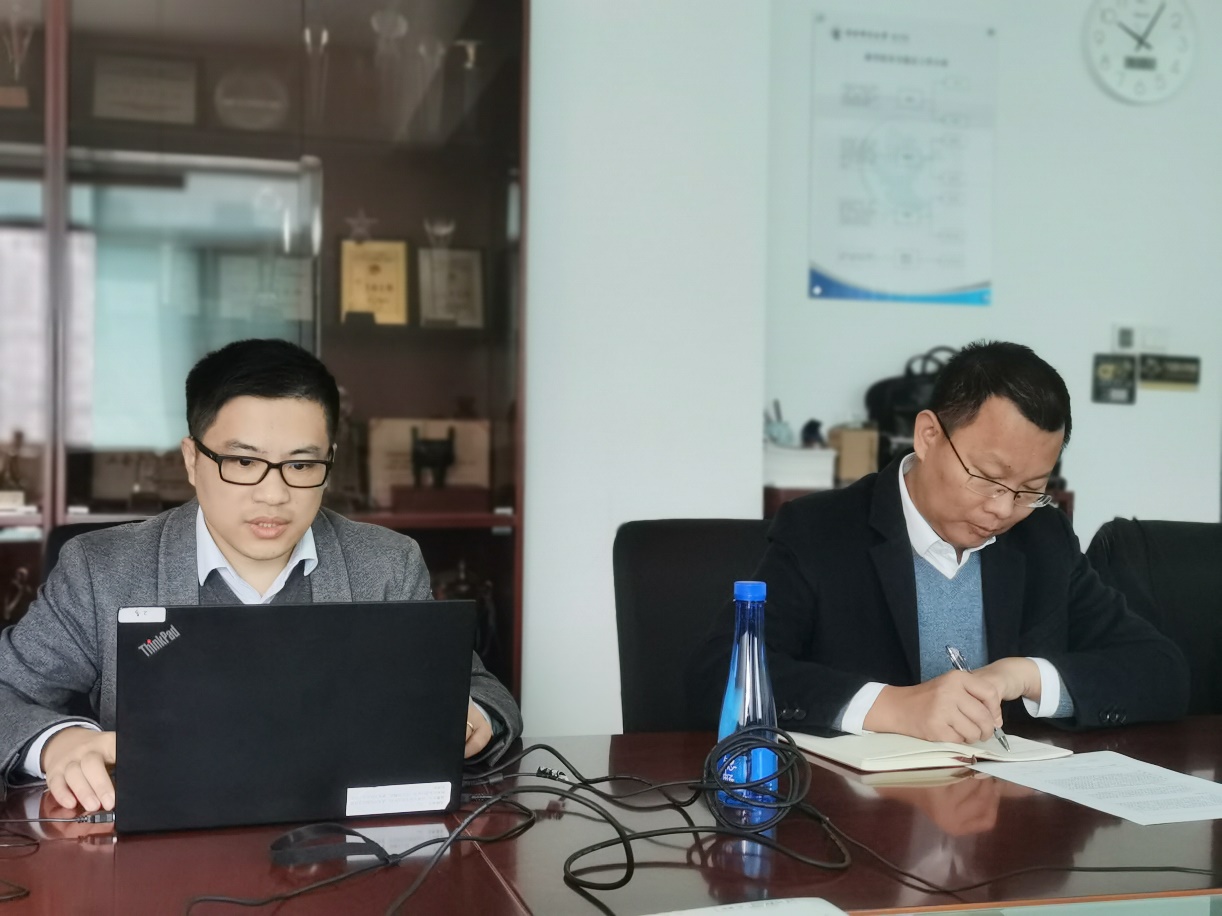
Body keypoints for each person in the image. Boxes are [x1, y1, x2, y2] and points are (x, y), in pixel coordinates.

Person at [0, 338, 522, 813]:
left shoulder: (387, 564)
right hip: (158, 850)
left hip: (340, 846)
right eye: (244, 463)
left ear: (329, 462)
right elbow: (6, 689)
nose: (274, 494)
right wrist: (58, 743)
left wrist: (473, 715)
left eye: (301, 465)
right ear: (192, 460)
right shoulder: (102, 569)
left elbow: (479, 689)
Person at [690, 341, 1189, 742]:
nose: (1003, 509)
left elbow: (1161, 671)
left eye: (1030, 490)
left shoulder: (1043, 537)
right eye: (988, 478)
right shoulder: (821, 530)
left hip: (1008, 814)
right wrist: (893, 707)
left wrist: (1025, 676)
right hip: (861, 819)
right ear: (928, 436)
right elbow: (720, 675)